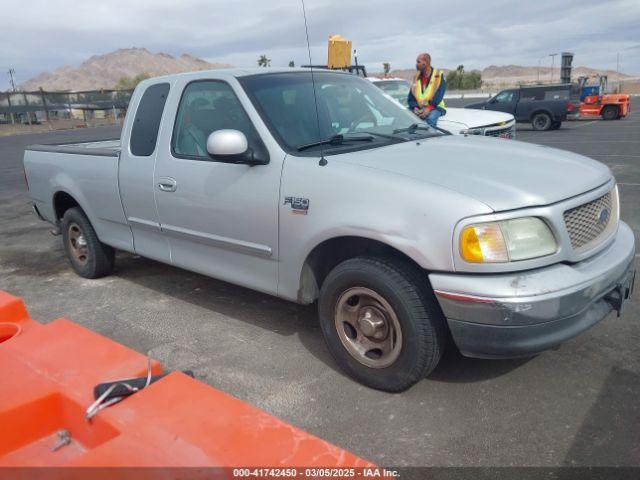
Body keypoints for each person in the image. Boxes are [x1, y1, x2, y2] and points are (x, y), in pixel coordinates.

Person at [407, 53, 446, 127]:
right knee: (404, 114)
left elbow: (439, 95)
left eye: (418, 62)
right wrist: (414, 107)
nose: (416, 64)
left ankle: (432, 137)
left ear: (426, 63)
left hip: (436, 107)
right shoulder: (416, 77)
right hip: (419, 108)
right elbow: (410, 98)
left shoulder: (438, 75)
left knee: (431, 118)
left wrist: (429, 108)